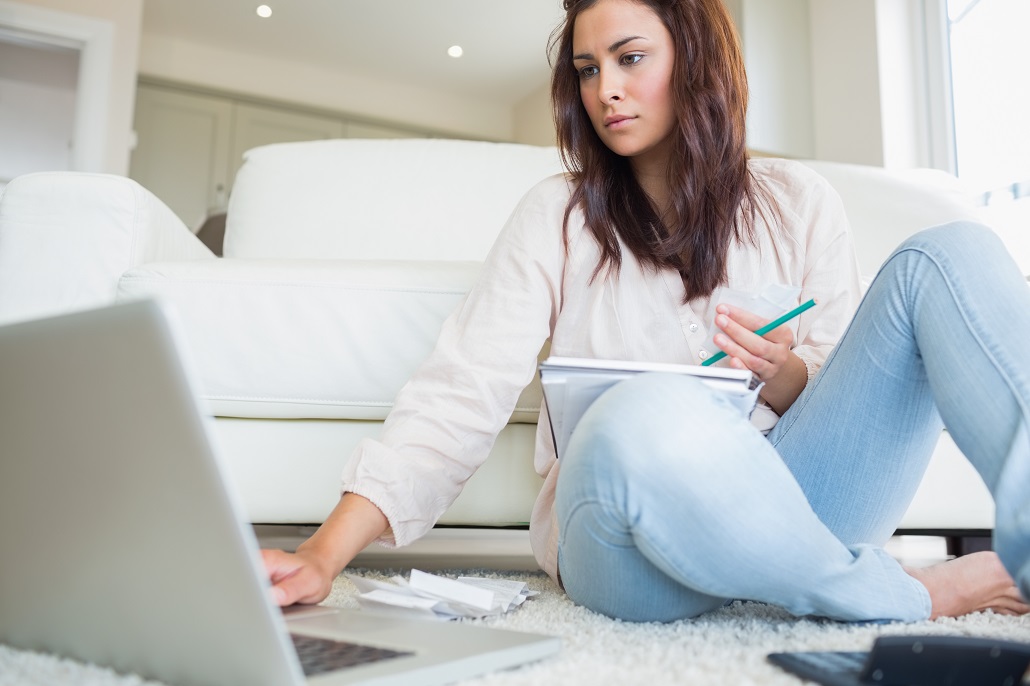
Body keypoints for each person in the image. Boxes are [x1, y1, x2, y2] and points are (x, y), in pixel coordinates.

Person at [262, 0, 1030, 623]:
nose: (605, 91)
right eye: (589, 69)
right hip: (626, 543)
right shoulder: (556, 217)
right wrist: (325, 554)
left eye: (631, 58)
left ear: (694, 59)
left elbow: (841, 387)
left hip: (797, 502)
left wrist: (786, 375)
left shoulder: (801, 203)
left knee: (947, 254)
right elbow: (460, 390)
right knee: (643, 411)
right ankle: (908, 594)